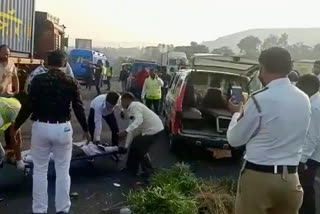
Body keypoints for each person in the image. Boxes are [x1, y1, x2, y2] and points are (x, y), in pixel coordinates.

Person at [227, 47, 311, 214]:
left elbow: (235, 139)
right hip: (291, 180)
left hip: (259, 178)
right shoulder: (304, 98)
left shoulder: (259, 99)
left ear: (262, 67)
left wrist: (236, 113)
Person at [24, 50, 90, 214]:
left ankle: (39, 210)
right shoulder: (71, 82)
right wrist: (86, 129)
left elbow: (28, 106)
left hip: (41, 127)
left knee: (40, 170)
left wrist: (16, 125)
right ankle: (63, 209)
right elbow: (78, 107)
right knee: (63, 171)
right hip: (63, 128)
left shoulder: (38, 80)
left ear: (47, 63)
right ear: (64, 64)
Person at [119, 92, 164, 176]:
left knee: (139, 147)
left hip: (154, 130)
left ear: (127, 100)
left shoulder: (135, 106)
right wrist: (126, 146)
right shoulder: (131, 109)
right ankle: (131, 169)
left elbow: (139, 121)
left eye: (122, 101)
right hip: (151, 130)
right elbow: (133, 130)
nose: (121, 104)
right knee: (135, 145)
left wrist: (125, 131)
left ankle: (147, 170)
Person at [295, 74, 320, 214]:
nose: (298, 89)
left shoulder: (315, 107)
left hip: (312, 156)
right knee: (306, 188)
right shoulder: (315, 101)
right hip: (313, 153)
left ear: (309, 88)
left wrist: (302, 160)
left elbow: (312, 137)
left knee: (305, 188)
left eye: (300, 86)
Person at [0, 97, 21, 168]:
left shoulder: (14, 103)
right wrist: (19, 160)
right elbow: (15, 138)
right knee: (1, 154)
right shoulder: (16, 109)